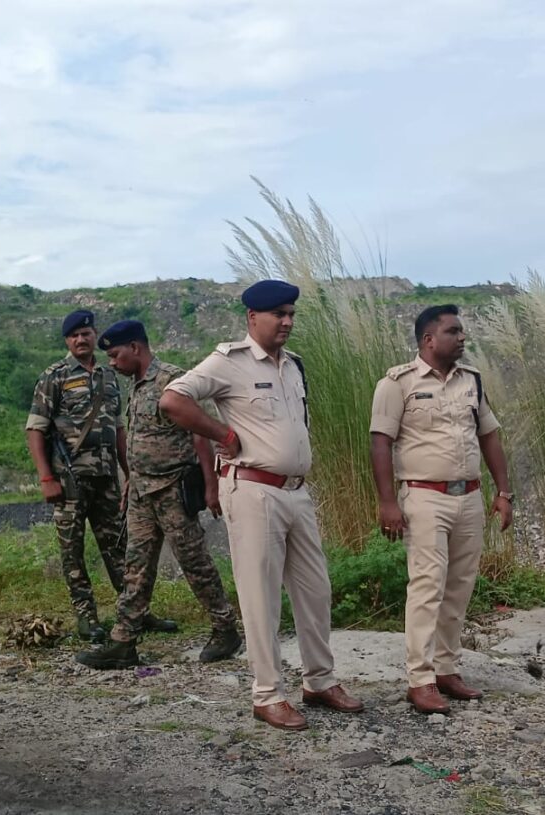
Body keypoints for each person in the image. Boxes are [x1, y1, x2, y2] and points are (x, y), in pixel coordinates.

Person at [159, 280, 363, 731]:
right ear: (253, 318)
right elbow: (173, 399)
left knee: (315, 590)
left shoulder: (293, 366)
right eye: (278, 314)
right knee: (261, 597)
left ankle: (319, 680)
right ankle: (267, 694)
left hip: (296, 491)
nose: (287, 321)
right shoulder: (229, 362)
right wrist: (222, 435)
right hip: (253, 491)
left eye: (291, 313)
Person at [368, 304, 514, 715]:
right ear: (428, 339)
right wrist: (387, 502)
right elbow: (380, 442)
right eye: (453, 331)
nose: (462, 338)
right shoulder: (397, 384)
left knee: (460, 584)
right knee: (427, 586)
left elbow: (490, 436)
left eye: (461, 331)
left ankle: (447, 669)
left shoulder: (473, 382)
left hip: (468, 496)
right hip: (424, 496)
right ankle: (421, 679)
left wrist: (503, 492)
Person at [76, 320, 243, 669]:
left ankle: (225, 628)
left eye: (117, 354)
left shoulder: (172, 380)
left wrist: (211, 487)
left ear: (136, 348)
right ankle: (124, 640)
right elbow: (139, 438)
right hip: (141, 492)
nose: (112, 362)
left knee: (194, 562)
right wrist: (129, 480)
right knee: (135, 565)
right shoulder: (136, 386)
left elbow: (199, 433)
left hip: (172, 489)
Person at [25, 310, 176, 643]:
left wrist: (129, 473)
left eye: (87, 333)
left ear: (95, 336)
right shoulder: (55, 375)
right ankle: (87, 616)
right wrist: (45, 477)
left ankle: (135, 613)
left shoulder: (109, 377)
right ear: (67, 340)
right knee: (73, 550)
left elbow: (118, 430)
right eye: (74, 335)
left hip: (106, 478)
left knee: (118, 548)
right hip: (69, 481)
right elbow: (36, 429)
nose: (81, 339)